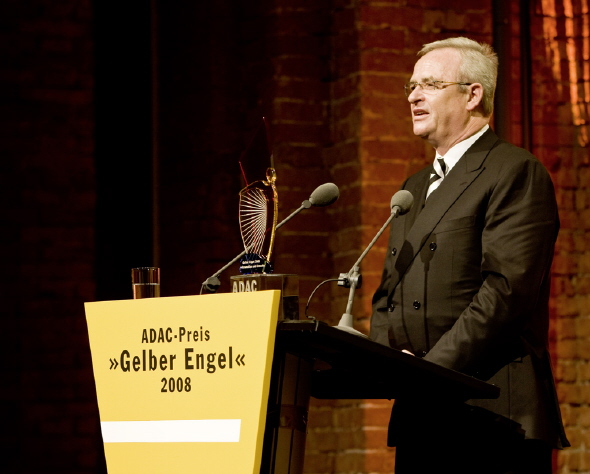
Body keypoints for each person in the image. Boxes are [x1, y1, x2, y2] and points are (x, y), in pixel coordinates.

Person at [370, 37, 569, 473]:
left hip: (492, 414)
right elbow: (388, 293)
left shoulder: (514, 171)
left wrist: (430, 371)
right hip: (424, 414)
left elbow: (505, 294)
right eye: (411, 86)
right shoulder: (413, 187)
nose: (413, 96)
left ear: (473, 94)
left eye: (430, 84)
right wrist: (390, 361)